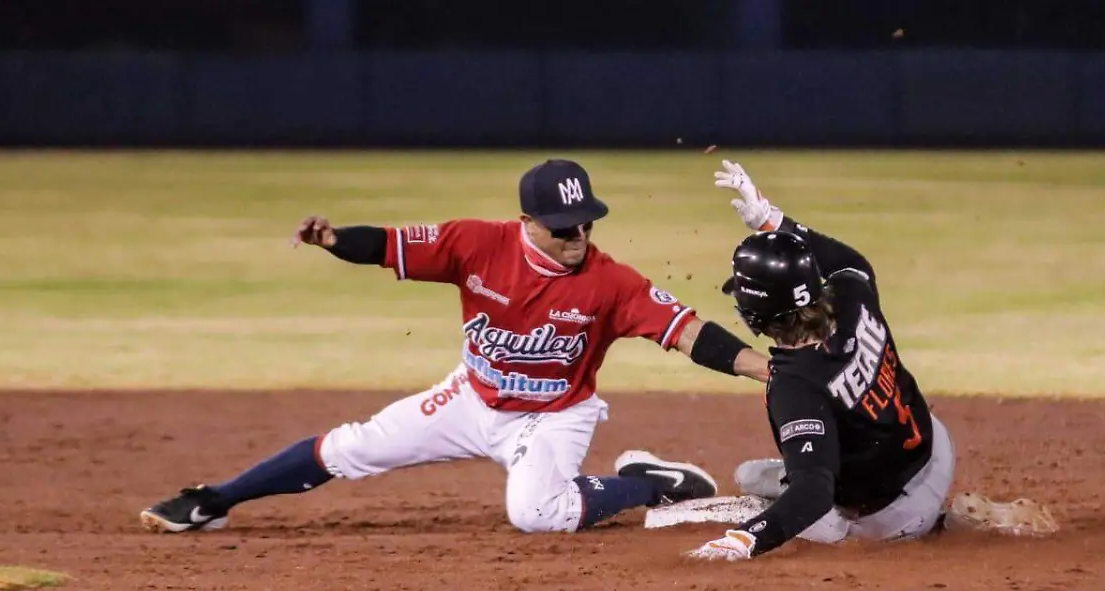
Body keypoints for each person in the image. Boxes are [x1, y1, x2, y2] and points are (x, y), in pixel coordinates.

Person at [140, 158, 771, 536]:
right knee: (353, 446)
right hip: (472, 399)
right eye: (562, 227)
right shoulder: (475, 244)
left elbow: (688, 332)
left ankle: (649, 484)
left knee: (536, 515)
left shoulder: (610, 280)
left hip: (554, 418)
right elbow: (390, 244)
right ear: (526, 222)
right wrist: (335, 241)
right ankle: (215, 501)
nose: (578, 235)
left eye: (586, 223)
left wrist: (763, 369)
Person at [685, 160, 1057, 561]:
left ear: (757, 315)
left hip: (896, 514)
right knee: (757, 475)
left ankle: (940, 525)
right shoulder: (850, 296)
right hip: (935, 449)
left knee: (771, 495)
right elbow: (847, 260)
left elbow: (813, 493)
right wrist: (772, 220)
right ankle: (950, 516)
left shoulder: (795, 386)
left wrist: (744, 540)